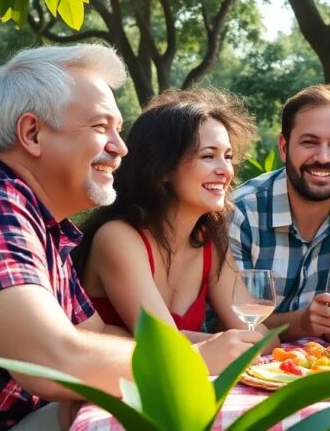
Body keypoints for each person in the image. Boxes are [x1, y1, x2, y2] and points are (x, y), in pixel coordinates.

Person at [0, 45, 259, 431]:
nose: (121, 148)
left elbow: (95, 334)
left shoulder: (43, 224)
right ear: (32, 133)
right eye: (102, 127)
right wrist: (196, 359)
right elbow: (52, 362)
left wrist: (203, 348)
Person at [75, 88, 267, 340]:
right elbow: (164, 344)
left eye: (228, 157)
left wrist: (237, 341)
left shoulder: (209, 240)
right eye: (208, 156)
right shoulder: (118, 237)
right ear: (163, 168)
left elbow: (262, 336)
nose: (225, 170)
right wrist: (227, 342)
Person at [229, 83, 330, 342]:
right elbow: (228, 323)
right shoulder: (242, 214)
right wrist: (302, 323)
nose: (323, 157)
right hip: (258, 371)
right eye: (309, 142)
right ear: (284, 147)